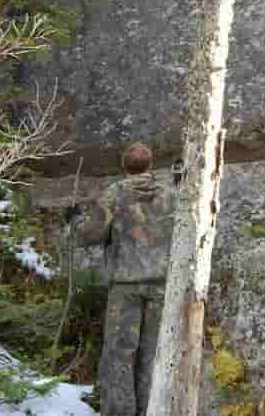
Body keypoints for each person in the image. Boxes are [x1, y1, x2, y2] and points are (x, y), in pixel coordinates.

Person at [66, 142, 174, 416]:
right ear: (150, 165)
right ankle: (153, 409)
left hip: (125, 286)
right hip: (162, 286)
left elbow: (91, 234)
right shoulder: (171, 193)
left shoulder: (114, 193)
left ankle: (121, 412)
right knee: (154, 354)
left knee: (121, 354)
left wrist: (75, 219)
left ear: (123, 166)